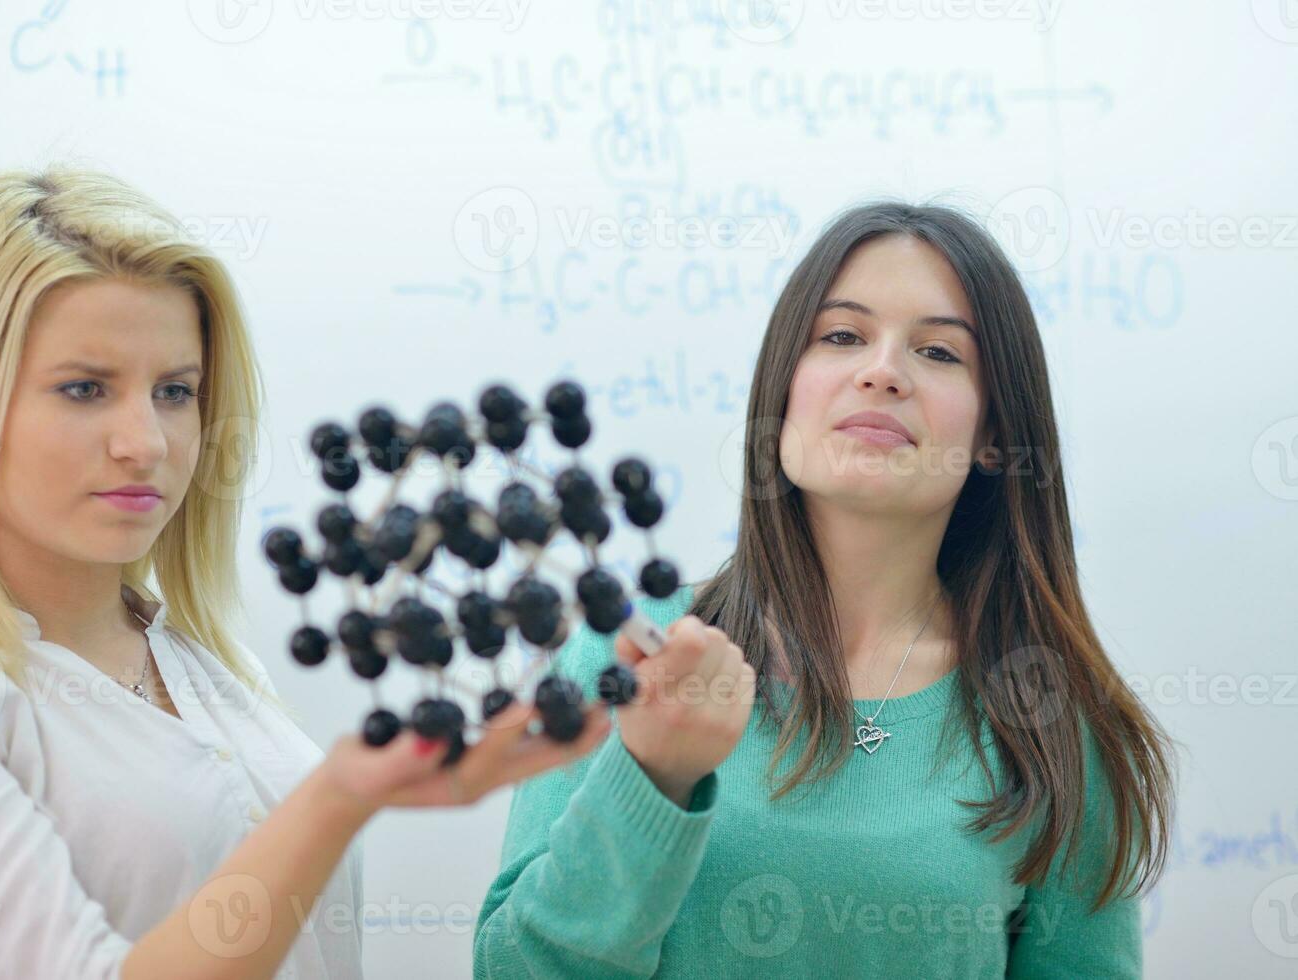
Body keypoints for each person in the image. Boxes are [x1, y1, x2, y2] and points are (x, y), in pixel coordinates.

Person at [0, 165, 610, 980]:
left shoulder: (206, 667)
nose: (146, 441)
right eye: (85, 388)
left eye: (175, 391)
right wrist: (339, 797)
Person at [474, 201, 1180, 978]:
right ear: (782, 394)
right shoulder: (631, 654)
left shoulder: (1052, 714)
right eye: (842, 335)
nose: (882, 370)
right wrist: (653, 776)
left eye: (940, 352)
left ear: (993, 437)